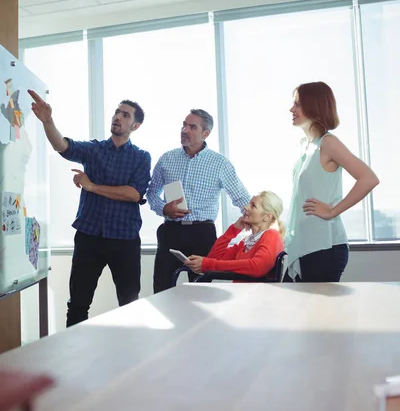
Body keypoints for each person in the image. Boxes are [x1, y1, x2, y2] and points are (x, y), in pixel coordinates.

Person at [28, 89, 151, 326]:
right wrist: (48, 121)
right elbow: (62, 146)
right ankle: (74, 359)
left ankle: (130, 357)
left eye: (125, 115)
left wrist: (92, 186)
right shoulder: (94, 149)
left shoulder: (141, 157)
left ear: (135, 126)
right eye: (117, 112)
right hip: (89, 236)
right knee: (78, 304)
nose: (118, 117)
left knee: (129, 303)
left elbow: (134, 193)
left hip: (124, 239)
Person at [147, 108, 251, 293]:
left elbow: (241, 197)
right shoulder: (167, 159)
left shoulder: (220, 163)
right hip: (170, 231)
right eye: (184, 125)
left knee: (201, 292)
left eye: (192, 127)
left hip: (202, 234)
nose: (185, 130)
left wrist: (261, 222)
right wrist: (164, 209)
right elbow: (151, 192)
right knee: (161, 289)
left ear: (206, 133)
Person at [284, 81, 379, 282]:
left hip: (324, 247)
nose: (292, 109)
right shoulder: (304, 147)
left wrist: (333, 210)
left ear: (314, 106)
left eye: (298, 104)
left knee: (322, 314)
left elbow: (368, 178)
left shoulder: (328, 143)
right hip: (304, 246)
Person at [185, 191, 284, 277]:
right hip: (240, 293)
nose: (246, 207)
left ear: (267, 217)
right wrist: (234, 229)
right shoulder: (246, 241)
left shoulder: (272, 235)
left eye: (253, 206)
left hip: (254, 295)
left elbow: (258, 267)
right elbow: (213, 257)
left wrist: (208, 263)